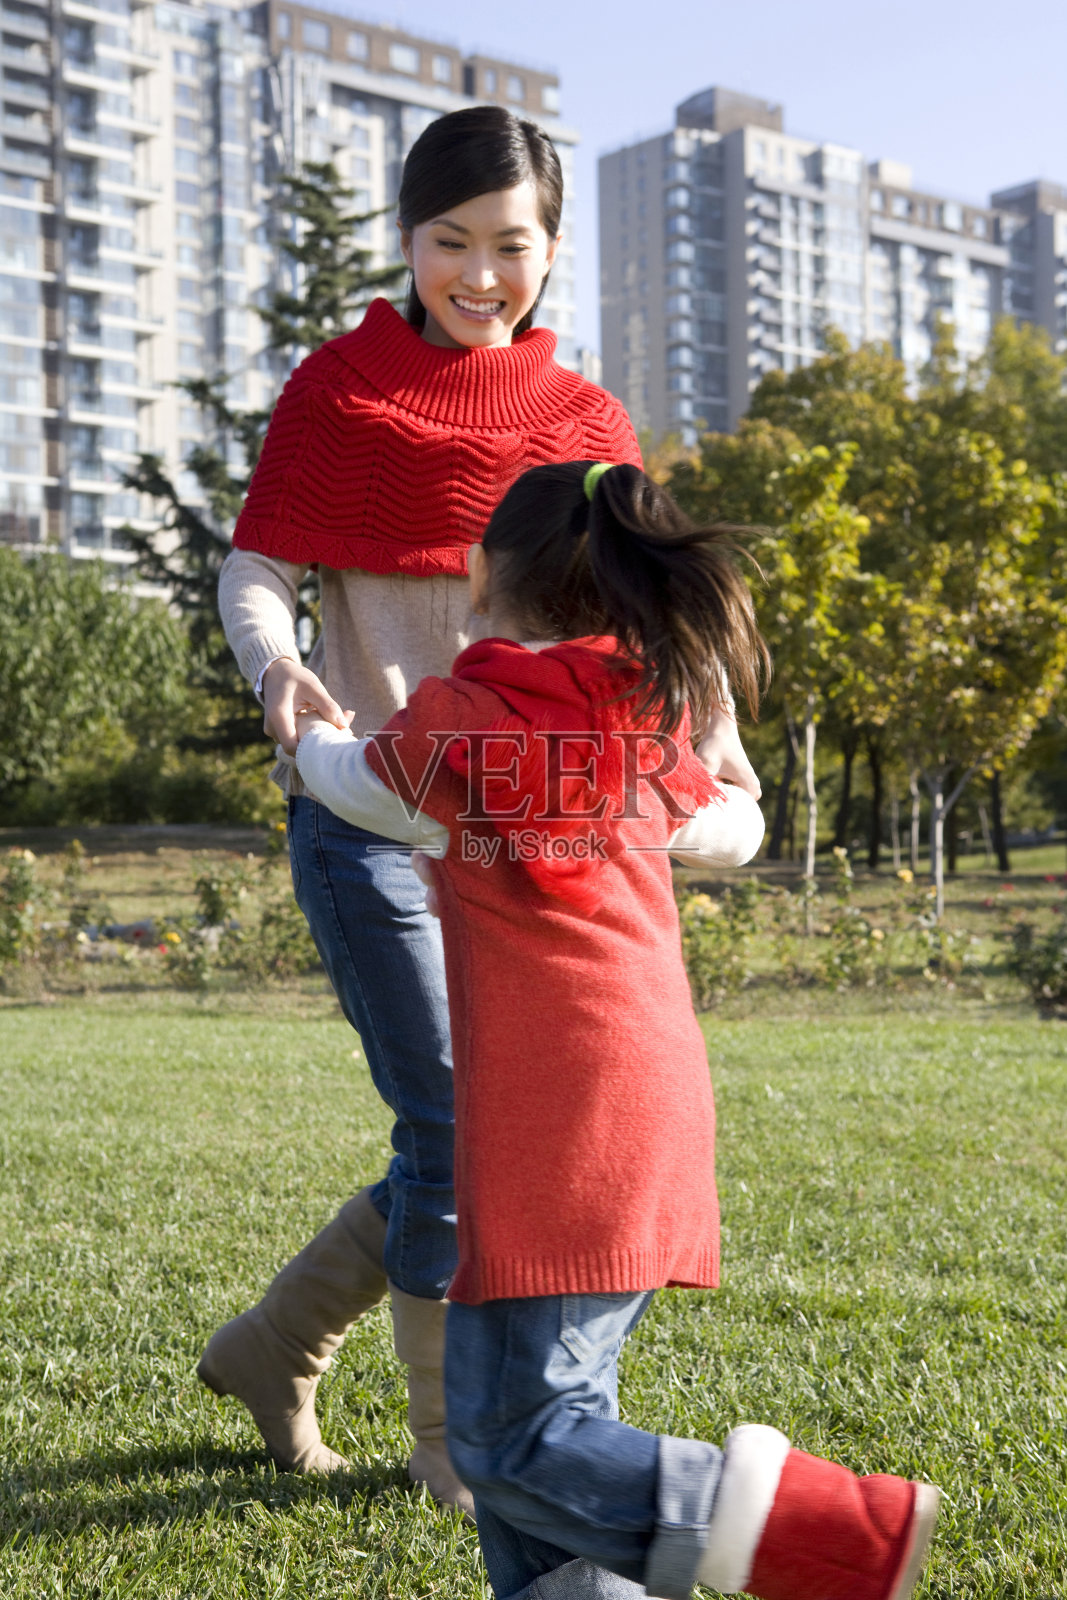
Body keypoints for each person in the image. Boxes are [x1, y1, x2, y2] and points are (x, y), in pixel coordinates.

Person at [202, 104, 747, 1512]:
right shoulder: (334, 391)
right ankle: (447, 1445)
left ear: (551, 252)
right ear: (408, 239)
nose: (480, 274)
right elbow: (257, 567)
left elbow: (648, 608)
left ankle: (275, 1344)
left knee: (500, 1127)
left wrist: (715, 762)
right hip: (369, 807)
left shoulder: (584, 427)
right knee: (451, 1120)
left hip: (534, 833)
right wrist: (277, 672)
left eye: (511, 245)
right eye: (450, 242)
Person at [291, 461, 940, 1600]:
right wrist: (695, 793)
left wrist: (302, 733)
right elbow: (732, 832)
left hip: (557, 1133)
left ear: (478, 573)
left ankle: (828, 1528)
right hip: (643, 1110)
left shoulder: (456, 726)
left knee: (507, 1443)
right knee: (543, 1440)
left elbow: (350, 784)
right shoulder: (636, 723)